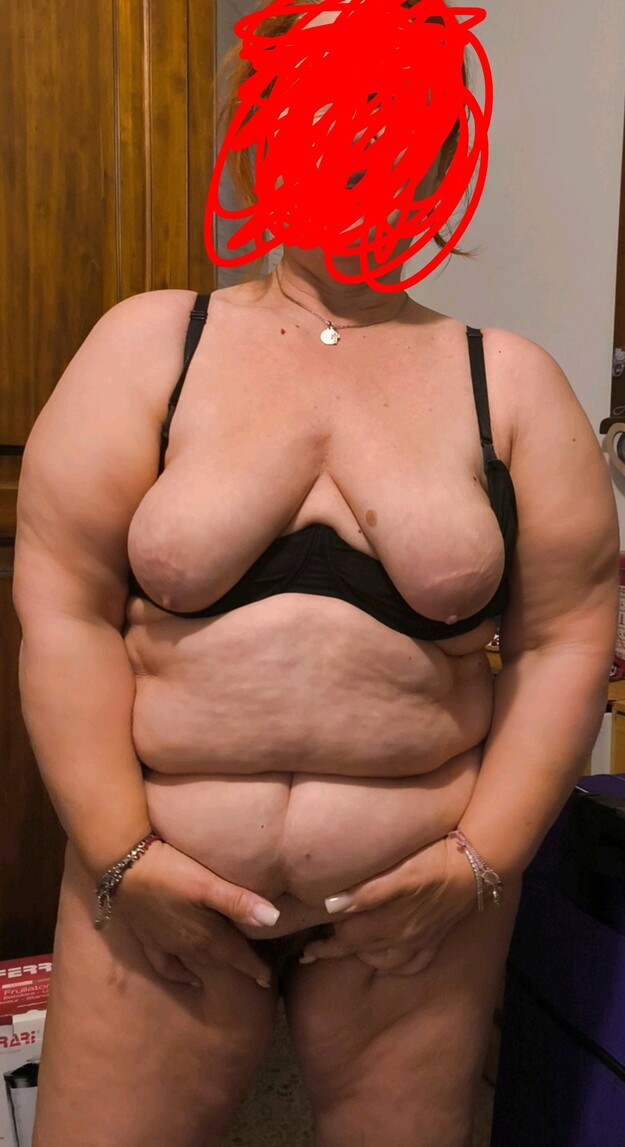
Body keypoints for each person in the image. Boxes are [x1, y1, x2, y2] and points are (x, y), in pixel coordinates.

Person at [13, 4, 619, 1146]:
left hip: (416, 909)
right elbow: (64, 610)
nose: (361, 152)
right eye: (329, 118)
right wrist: (119, 854)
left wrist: (479, 863)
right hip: (154, 886)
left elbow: (566, 638)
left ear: (445, 153)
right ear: (263, 133)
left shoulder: (510, 383)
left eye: (396, 126)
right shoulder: (150, 346)